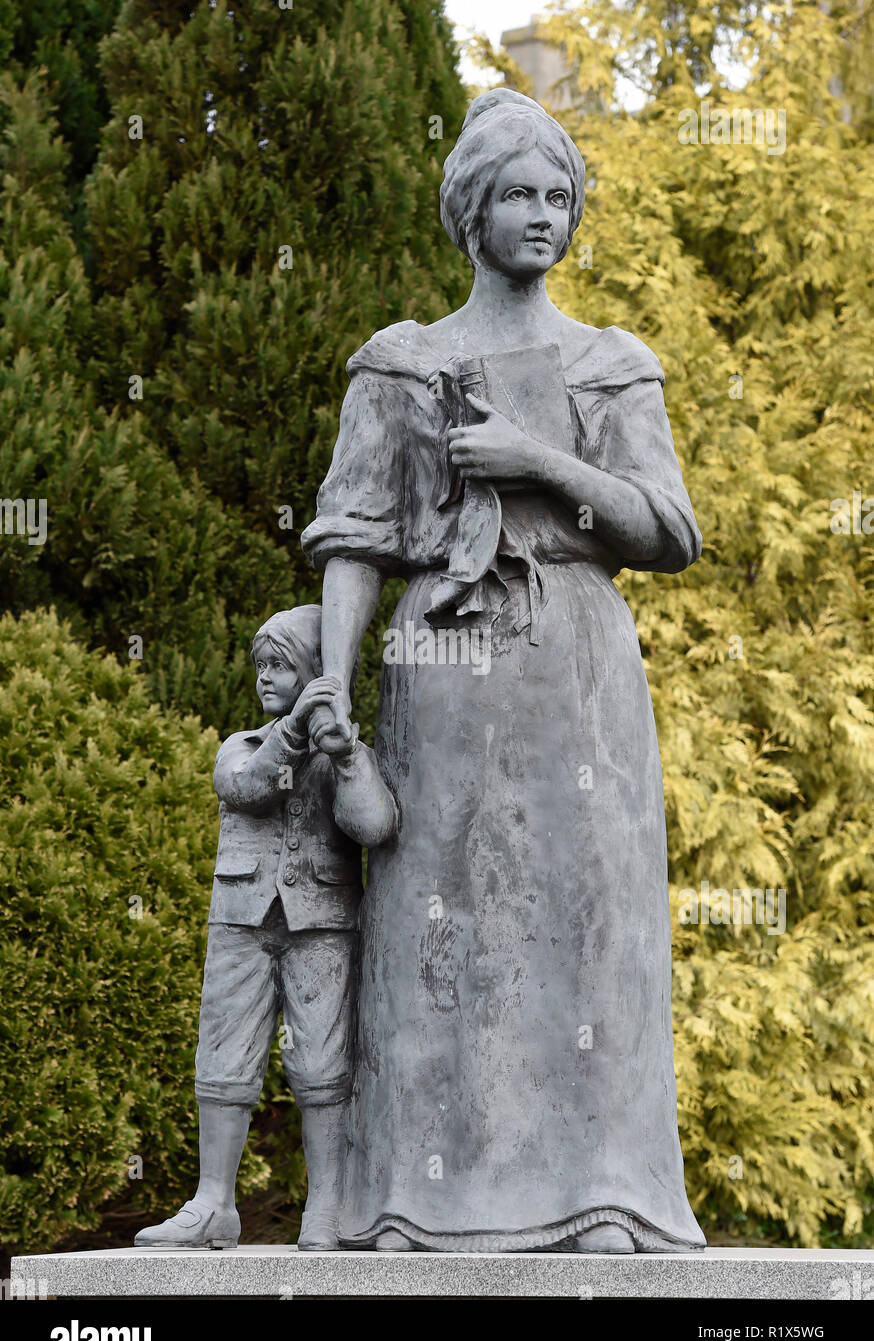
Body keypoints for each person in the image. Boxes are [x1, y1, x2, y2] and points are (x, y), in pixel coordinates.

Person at [300, 90, 706, 1253]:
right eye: (519, 196)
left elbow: (667, 531)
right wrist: (334, 703)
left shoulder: (611, 360)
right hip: (441, 667)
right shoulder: (400, 362)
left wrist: (536, 459)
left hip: (577, 669)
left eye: (559, 197)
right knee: (441, 926)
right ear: (470, 212)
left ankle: (606, 1196)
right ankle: (414, 1203)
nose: (543, 215)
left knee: (587, 927)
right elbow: (354, 536)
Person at [134, 606, 397, 1252]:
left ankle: (326, 1207)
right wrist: (296, 733)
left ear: (314, 672)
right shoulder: (246, 746)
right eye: (261, 667)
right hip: (241, 922)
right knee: (224, 1057)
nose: (265, 679)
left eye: (281, 666)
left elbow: (375, 826)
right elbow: (245, 787)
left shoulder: (348, 754)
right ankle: (213, 1202)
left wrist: (346, 759)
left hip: (321, 923)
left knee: (321, 1062)